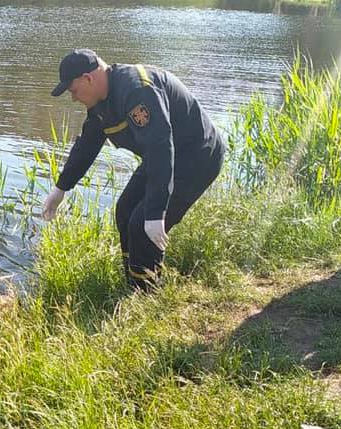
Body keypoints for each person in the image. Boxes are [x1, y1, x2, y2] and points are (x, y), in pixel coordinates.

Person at [41, 49, 226, 289]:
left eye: (73, 91)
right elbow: (87, 144)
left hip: (197, 157)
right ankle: (133, 282)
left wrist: (156, 212)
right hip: (163, 156)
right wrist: (60, 189)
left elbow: (161, 146)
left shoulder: (137, 90)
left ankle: (147, 296)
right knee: (125, 209)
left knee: (141, 225)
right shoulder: (101, 101)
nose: (73, 98)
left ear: (88, 78)